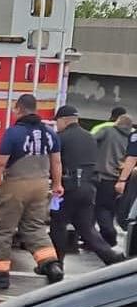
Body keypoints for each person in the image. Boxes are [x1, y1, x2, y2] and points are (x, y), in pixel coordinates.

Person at [0, 94, 65, 289]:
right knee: (34, 227)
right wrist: (57, 184)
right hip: (41, 185)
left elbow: (0, 162)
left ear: (19, 109)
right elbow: (56, 161)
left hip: (16, 185)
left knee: (0, 228)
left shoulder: (13, 133)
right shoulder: (50, 133)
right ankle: (51, 264)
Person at [49, 105, 126, 266]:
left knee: (59, 224)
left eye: (58, 121)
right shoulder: (89, 137)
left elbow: (55, 162)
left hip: (68, 188)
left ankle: (57, 263)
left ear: (63, 120)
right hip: (89, 187)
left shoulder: (60, 137)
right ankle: (111, 257)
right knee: (86, 228)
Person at [94, 113, 133, 245]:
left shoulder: (107, 131)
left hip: (104, 177)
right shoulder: (132, 137)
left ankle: (109, 235)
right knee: (111, 208)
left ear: (117, 122)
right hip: (123, 179)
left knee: (101, 208)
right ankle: (103, 238)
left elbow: (91, 140)